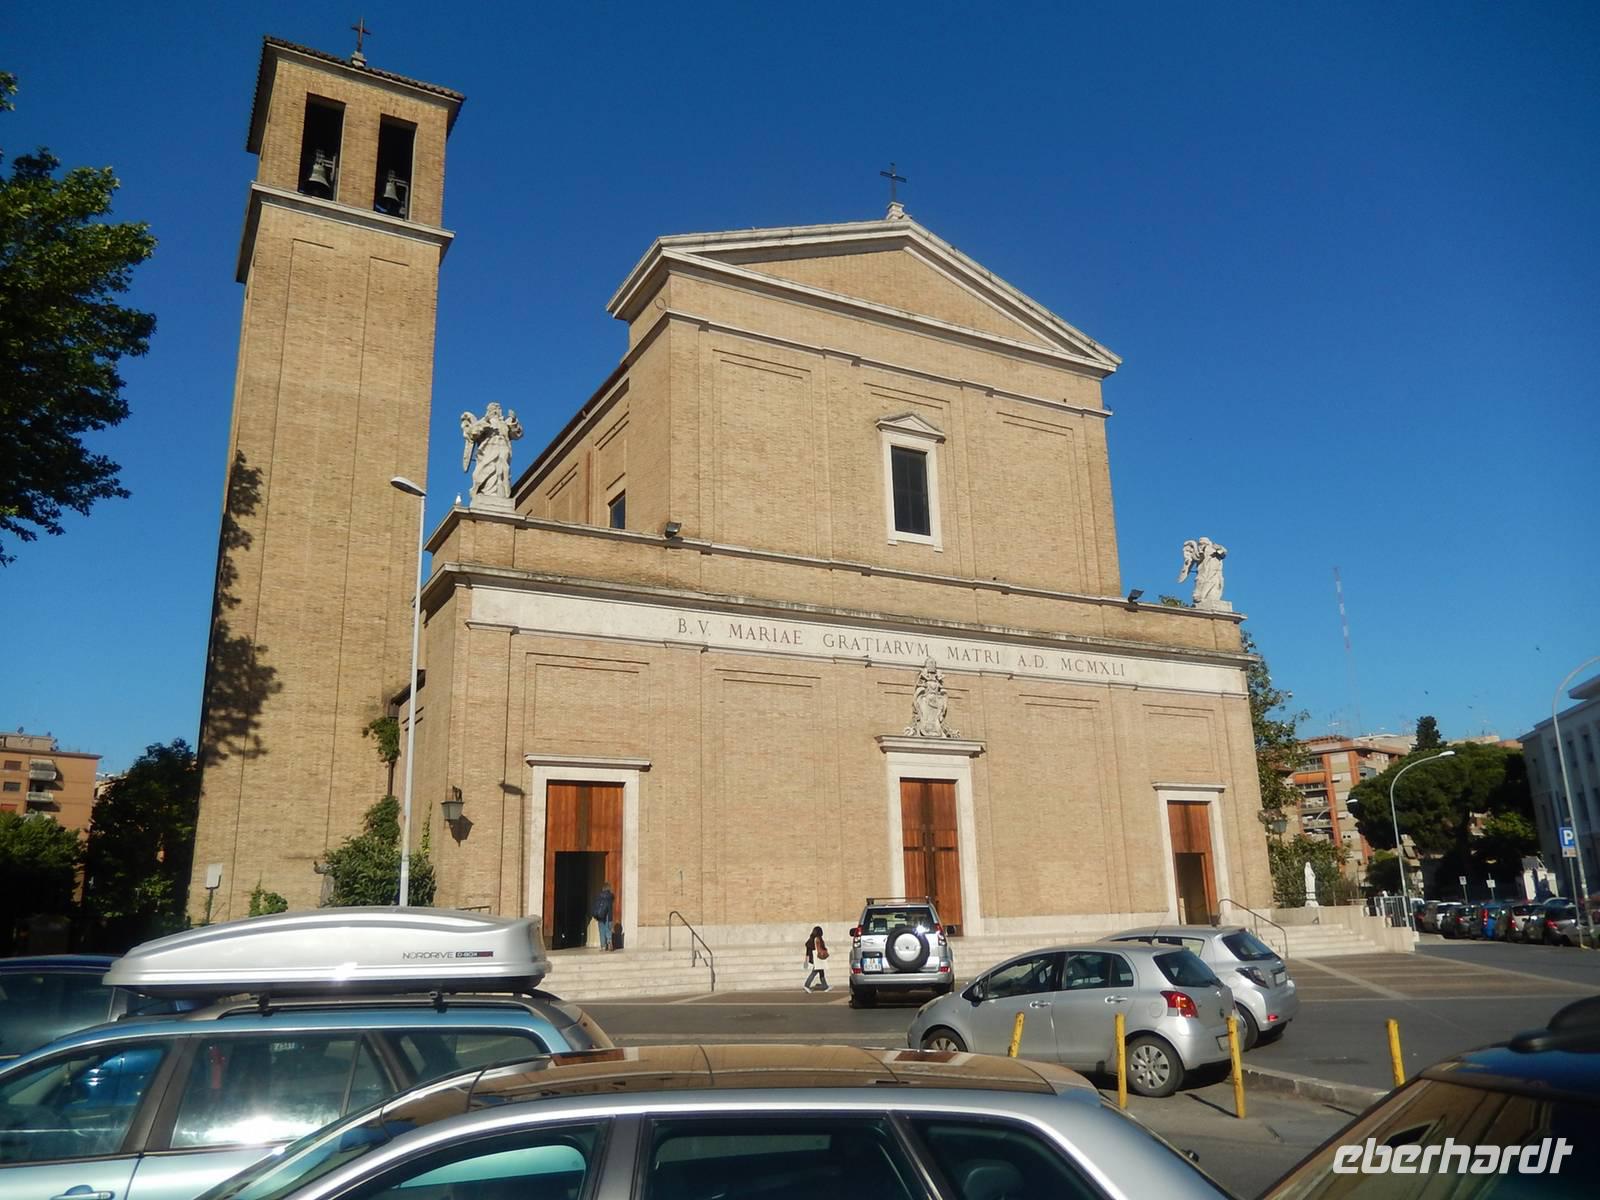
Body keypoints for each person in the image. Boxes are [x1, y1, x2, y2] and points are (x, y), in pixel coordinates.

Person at [803, 926, 830, 992]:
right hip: (817, 958)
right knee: (814, 972)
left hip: (813, 958)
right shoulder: (817, 939)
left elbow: (807, 952)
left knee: (821, 971)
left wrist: (806, 961)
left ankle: (825, 986)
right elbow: (819, 948)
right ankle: (806, 985)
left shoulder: (811, 940)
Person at [593, 882, 615, 952]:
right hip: (608, 915)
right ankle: (609, 942)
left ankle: (603, 946)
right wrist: (611, 919)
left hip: (600, 915)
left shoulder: (599, 895)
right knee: (608, 929)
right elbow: (610, 908)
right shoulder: (610, 896)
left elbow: (596, 905)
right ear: (609, 888)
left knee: (601, 930)